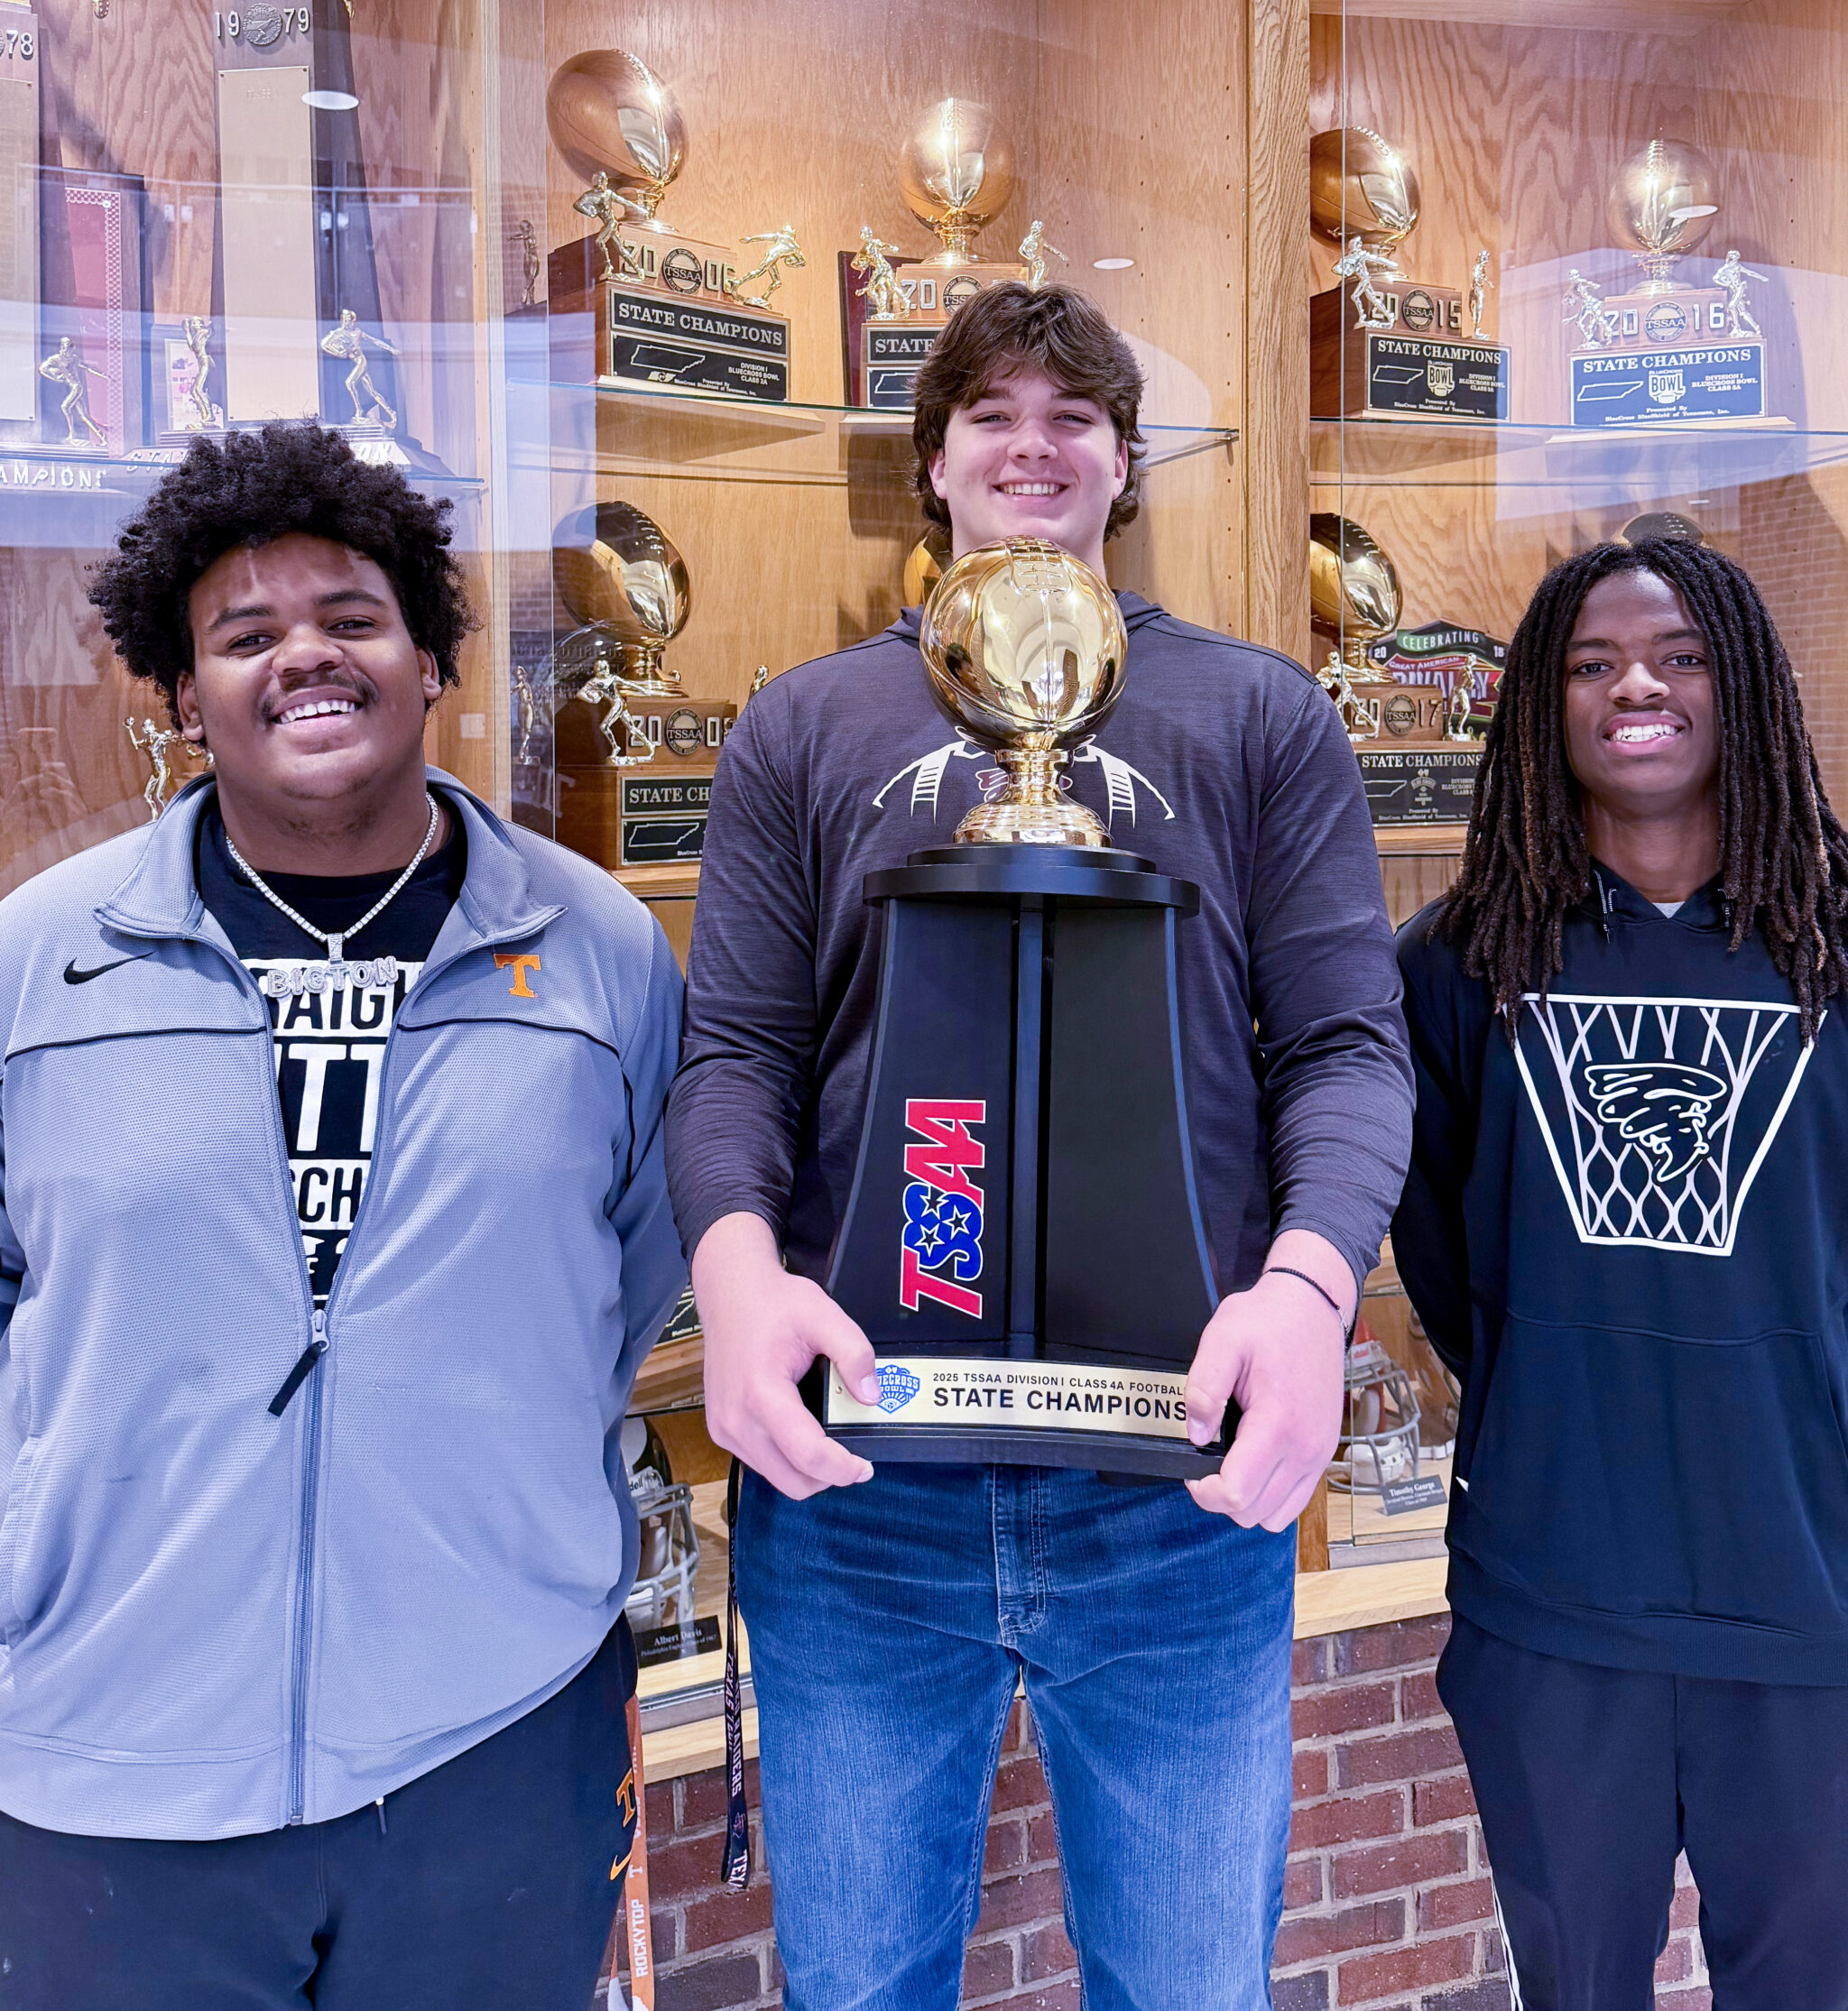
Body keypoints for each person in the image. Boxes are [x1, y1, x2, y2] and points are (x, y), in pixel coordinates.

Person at [666, 282, 1413, 2011]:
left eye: (1073, 413)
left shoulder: (1258, 715)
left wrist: (1309, 1293)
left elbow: (1347, 1048)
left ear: (1126, 461)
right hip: (860, 1497)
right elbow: (737, 1055)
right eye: (990, 413)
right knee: (858, 1993)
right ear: (932, 463)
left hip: (1178, 1483)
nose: (1031, 442)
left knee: (1187, 1989)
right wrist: (733, 1271)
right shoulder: (806, 724)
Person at [0, 425, 685, 2008]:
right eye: (244, 635)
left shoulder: (595, 953)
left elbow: (631, 1274)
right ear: (184, 697)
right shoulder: (40, 966)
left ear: (432, 657)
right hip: (114, 1758)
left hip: (491, 1737)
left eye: (352, 618)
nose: (303, 655)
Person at [1393, 533, 1848, 2010]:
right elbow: (1447, 1264)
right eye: (1589, 665)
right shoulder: (1457, 964)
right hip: (1555, 1604)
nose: (1633, 686)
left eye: (1678, 656)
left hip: (1814, 1600)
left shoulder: (1837, 946)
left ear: (1749, 689)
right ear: (1539, 706)